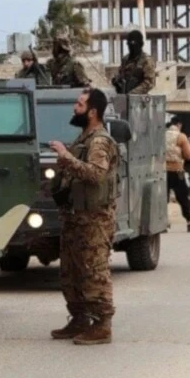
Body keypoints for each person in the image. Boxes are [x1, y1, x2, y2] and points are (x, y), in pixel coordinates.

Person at [48, 87, 120, 345]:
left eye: (79, 104)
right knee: (71, 272)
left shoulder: (99, 141)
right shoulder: (83, 139)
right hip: (75, 216)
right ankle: (79, 319)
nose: (74, 108)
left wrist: (66, 157)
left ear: (92, 112)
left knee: (93, 270)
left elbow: (96, 174)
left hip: (94, 219)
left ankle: (102, 325)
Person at [165, 116, 190, 232]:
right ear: (179, 124)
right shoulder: (181, 136)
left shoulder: (161, 135)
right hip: (177, 171)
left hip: (162, 172)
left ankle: (163, 223)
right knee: (183, 198)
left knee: (163, 198)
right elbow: (188, 155)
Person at [112, 30, 156, 95]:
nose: (131, 48)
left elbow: (149, 83)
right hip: (123, 95)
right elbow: (120, 74)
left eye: (134, 45)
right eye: (129, 45)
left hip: (139, 98)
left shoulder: (146, 60)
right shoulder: (125, 59)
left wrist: (133, 93)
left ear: (141, 44)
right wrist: (116, 81)